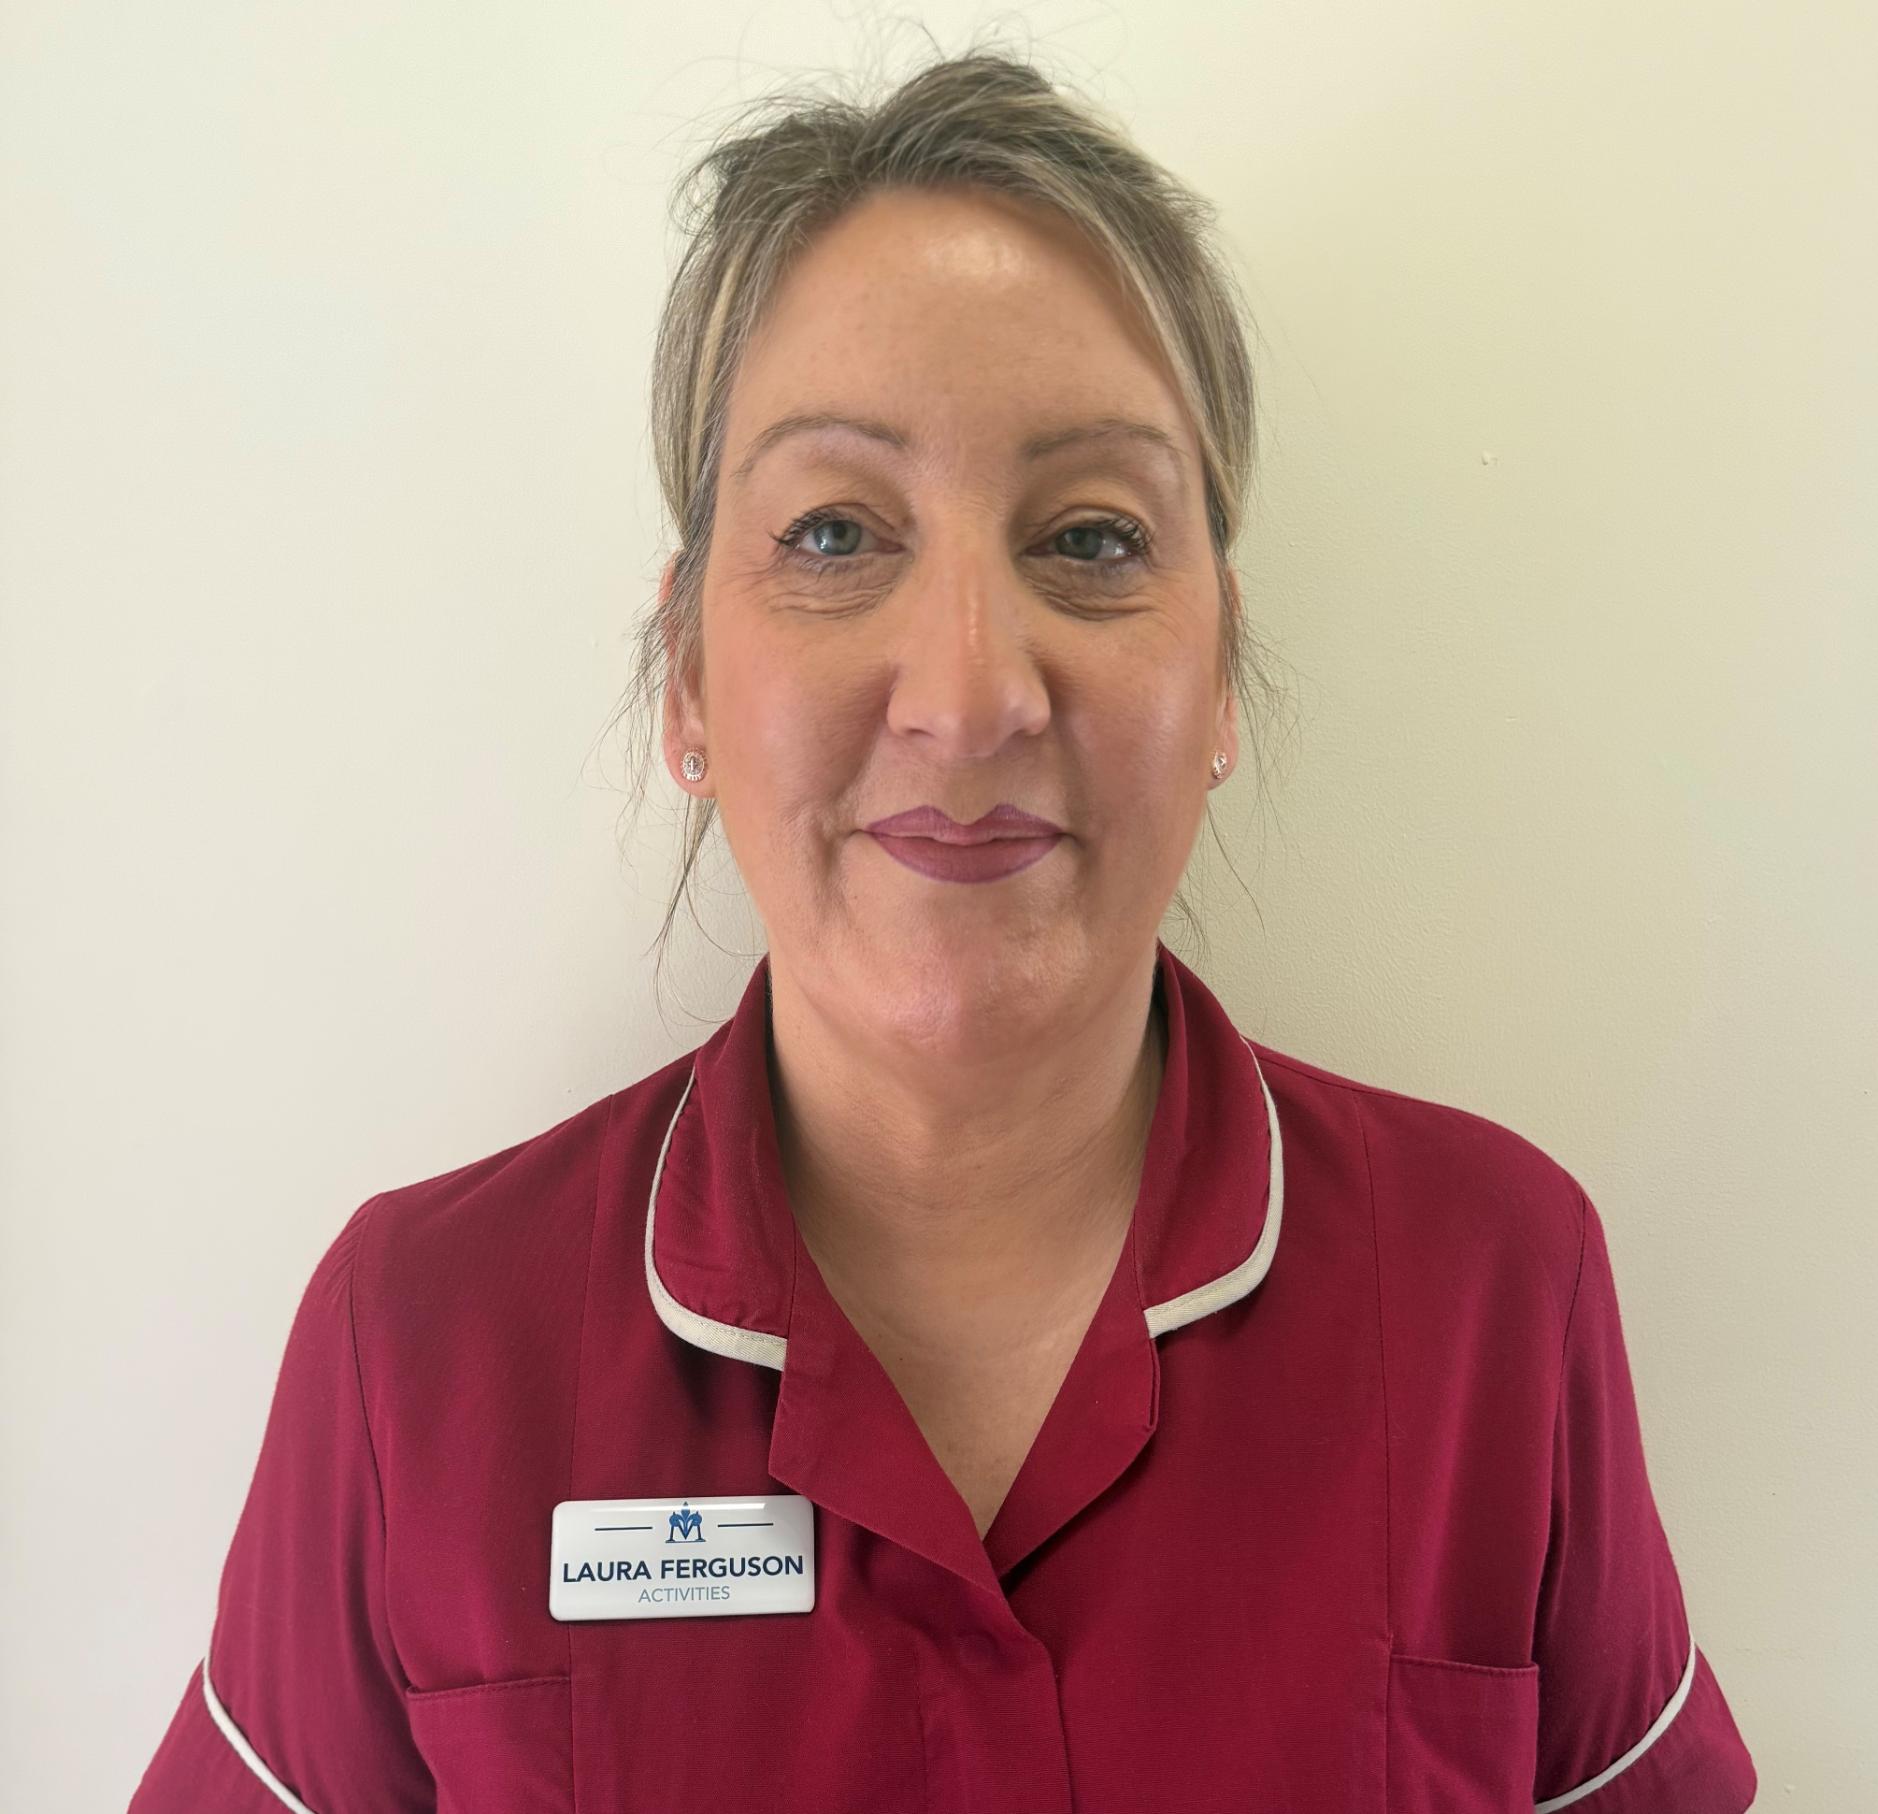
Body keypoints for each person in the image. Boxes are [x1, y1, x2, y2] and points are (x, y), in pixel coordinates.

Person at [128, 46, 1758, 1814]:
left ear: (1219, 669)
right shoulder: (418, 1343)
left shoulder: (1491, 1288)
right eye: (835, 531)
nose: (970, 695)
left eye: (1091, 538)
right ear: (687, 676)